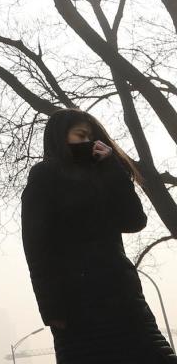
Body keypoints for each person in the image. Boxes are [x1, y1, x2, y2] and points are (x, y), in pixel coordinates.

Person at [21, 108, 177, 363]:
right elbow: (36, 248)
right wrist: (52, 310)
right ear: (61, 137)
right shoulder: (44, 176)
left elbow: (134, 221)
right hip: (75, 308)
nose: (88, 142)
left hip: (123, 297)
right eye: (80, 135)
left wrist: (113, 169)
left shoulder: (103, 173)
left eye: (91, 136)